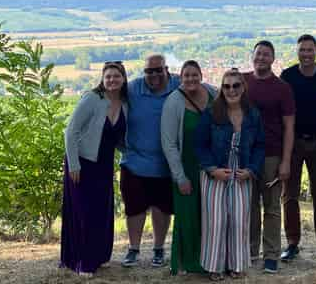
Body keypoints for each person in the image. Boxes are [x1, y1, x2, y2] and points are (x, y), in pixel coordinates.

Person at [195, 69, 266, 281]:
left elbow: (260, 145)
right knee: (216, 221)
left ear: (243, 87)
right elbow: (199, 145)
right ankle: (214, 266)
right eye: (227, 86)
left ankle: (236, 265)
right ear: (221, 88)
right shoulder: (211, 112)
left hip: (242, 171)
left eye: (236, 85)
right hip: (215, 171)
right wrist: (212, 170)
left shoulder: (253, 113)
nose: (231, 90)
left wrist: (252, 170)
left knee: (238, 220)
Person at [60, 61, 128, 276]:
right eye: (108, 76)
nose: (112, 80)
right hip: (82, 163)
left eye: (116, 76)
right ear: (102, 78)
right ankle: (83, 261)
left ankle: (100, 255)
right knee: (84, 213)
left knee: (102, 211)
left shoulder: (125, 104)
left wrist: (134, 153)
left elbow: (115, 137)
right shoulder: (92, 99)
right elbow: (70, 132)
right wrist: (74, 164)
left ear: (123, 79)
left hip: (105, 164)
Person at [279, 34, 316, 262]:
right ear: (297, 52)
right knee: (289, 194)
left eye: (310, 50)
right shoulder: (288, 76)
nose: (306, 54)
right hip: (293, 142)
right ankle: (292, 243)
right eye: (302, 50)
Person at [120, 54, 180, 268]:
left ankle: (158, 249)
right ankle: (133, 249)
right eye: (148, 71)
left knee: (162, 208)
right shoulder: (133, 89)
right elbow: (109, 101)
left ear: (167, 70)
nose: (153, 75)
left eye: (158, 70)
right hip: (134, 161)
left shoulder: (179, 84)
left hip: (166, 163)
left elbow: (206, 90)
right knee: (134, 209)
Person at [244, 41, 295, 274]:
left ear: (273, 59)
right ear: (252, 56)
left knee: (272, 207)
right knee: (250, 206)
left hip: (272, 155)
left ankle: (272, 254)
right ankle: (252, 250)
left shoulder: (282, 87)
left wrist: (286, 161)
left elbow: (289, 126)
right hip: (246, 155)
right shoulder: (241, 82)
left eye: (266, 55)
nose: (261, 58)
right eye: (258, 54)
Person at [161, 60, 216, 275]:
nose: (191, 79)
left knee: (210, 216)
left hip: (211, 167)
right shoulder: (173, 102)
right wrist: (179, 176)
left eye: (195, 75)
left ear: (201, 75)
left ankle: (210, 259)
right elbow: (169, 143)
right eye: (187, 75)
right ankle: (187, 262)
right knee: (188, 216)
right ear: (180, 78)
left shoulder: (212, 93)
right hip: (185, 167)